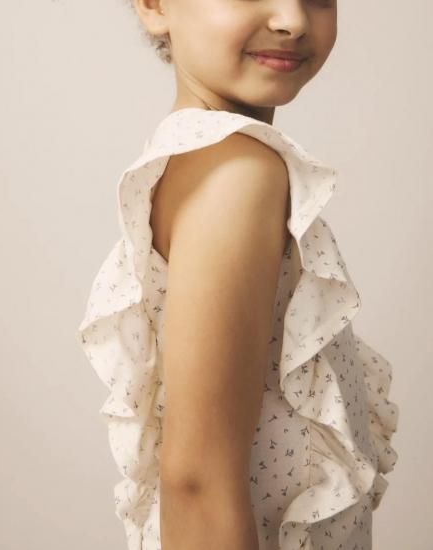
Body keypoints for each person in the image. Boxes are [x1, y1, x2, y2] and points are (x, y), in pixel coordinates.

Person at [75, 1, 400, 549]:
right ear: (154, 5)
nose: (293, 19)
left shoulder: (201, 159)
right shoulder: (237, 174)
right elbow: (198, 485)